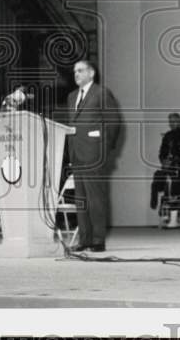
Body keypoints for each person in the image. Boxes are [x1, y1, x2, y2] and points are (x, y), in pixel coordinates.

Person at [64, 60, 120, 253]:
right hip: (77, 154)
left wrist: (103, 151)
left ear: (91, 73)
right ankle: (85, 239)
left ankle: (98, 240)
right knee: (81, 198)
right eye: (74, 72)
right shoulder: (72, 97)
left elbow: (113, 123)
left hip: (94, 154)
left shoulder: (101, 93)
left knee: (96, 198)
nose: (76, 74)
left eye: (80, 71)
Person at [152, 113, 180, 228]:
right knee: (173, 193)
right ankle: (174, 220)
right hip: (171, 168)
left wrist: (179, 160)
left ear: (179, 121)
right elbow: (162, 152)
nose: (172, 123)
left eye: (174, 121)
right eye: (170, 121)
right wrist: (163, 161)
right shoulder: (167, 136)